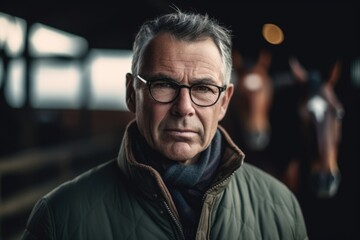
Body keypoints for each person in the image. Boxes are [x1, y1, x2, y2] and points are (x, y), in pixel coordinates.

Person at [22, 9, 308, 240]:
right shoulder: (60, 218)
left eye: (204, 89)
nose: (184, 108)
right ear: (132, 94)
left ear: (224, 102)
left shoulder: (281, 207)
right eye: (164, 84)